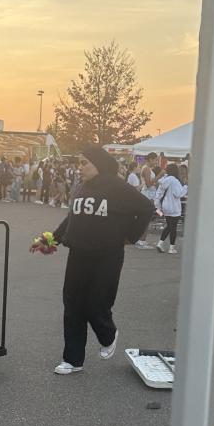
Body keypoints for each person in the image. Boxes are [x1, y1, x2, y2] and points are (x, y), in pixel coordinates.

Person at [46, 146, 154, 375]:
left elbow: (146, 208)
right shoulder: (82, 187)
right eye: (79, 162)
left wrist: (130, 235)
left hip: (107, 255)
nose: (79, 167)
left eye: (84, 162)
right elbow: (71, 219)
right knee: (73, 305)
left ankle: (108, 334)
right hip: (78, 253)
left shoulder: (118, 187)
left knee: (96, 304)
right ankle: (72, 359)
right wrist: (50, 240)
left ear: (99, 164)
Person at [154, 163, 186, 254]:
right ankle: (172, 248)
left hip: (165, 206)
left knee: (169, 226)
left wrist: (158, 207)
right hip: (174, 206)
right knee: (173, 227)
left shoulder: (163, 180)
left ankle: (160, 243)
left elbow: (158, 194)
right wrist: (185, 187)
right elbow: (178, 194)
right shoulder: (175, 181)